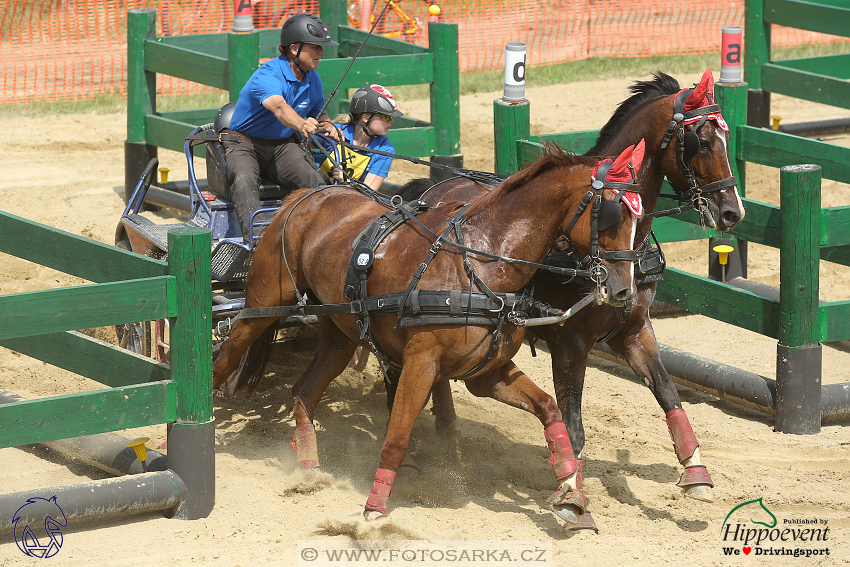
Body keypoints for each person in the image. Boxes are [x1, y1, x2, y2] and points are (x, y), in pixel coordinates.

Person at [222, 12, 338, 240]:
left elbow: (319, 112)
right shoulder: (267, 75)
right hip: (244, 144)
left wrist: (328, 125)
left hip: (282, 146)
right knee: (244, 181)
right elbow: (279, 108)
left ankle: (318, 239)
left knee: (315, 180)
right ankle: (257, 244)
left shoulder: (313, 78)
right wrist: (302, 124)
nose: (321, 52)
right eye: (316, 47)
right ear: (295, 49)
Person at [316, 84, 404, 191]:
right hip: (313, 188)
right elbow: (303, 144)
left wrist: (346, 180)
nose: (391, 121)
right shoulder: (335, 131)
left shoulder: (385, 150)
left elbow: (368, 193)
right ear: (366, 117)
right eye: (386, 117)